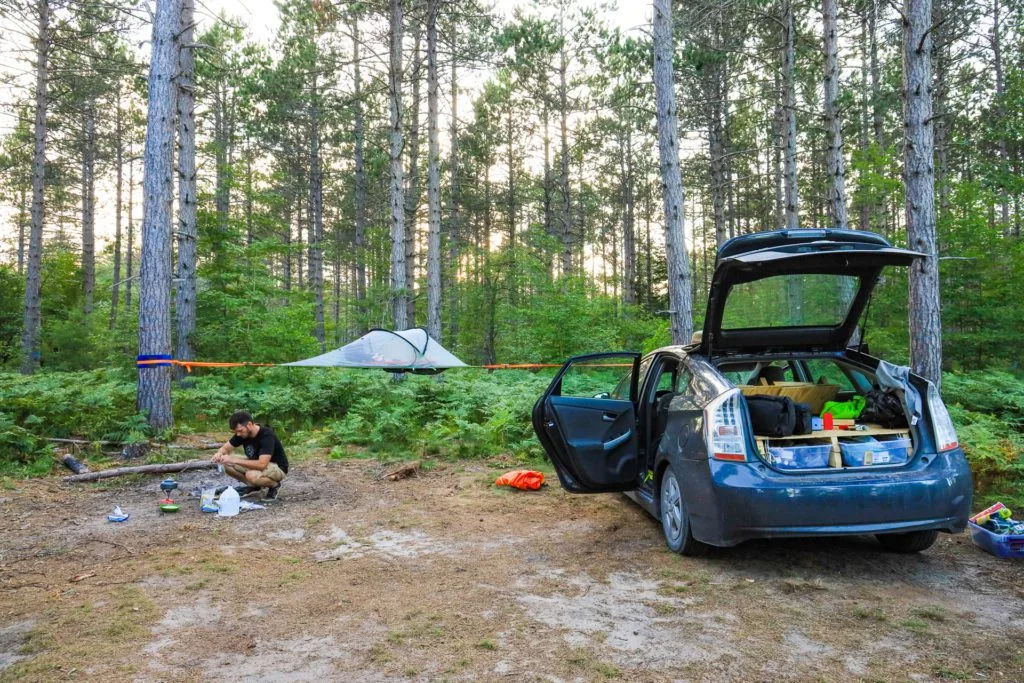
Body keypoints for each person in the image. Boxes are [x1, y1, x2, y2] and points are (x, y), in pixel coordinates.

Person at [211, 411, 289, 501]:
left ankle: (274, 485)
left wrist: (234, 460)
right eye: (236, 432)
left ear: (249, 425)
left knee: (250, 475)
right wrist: (219, 454)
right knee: (227, 464)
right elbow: (225, 448)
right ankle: (253, 486)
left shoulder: (266, 435)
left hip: (277, 467)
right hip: (259, 464)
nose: (238, 434)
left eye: (240, 431)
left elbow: (261, 464)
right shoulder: (242, 434)